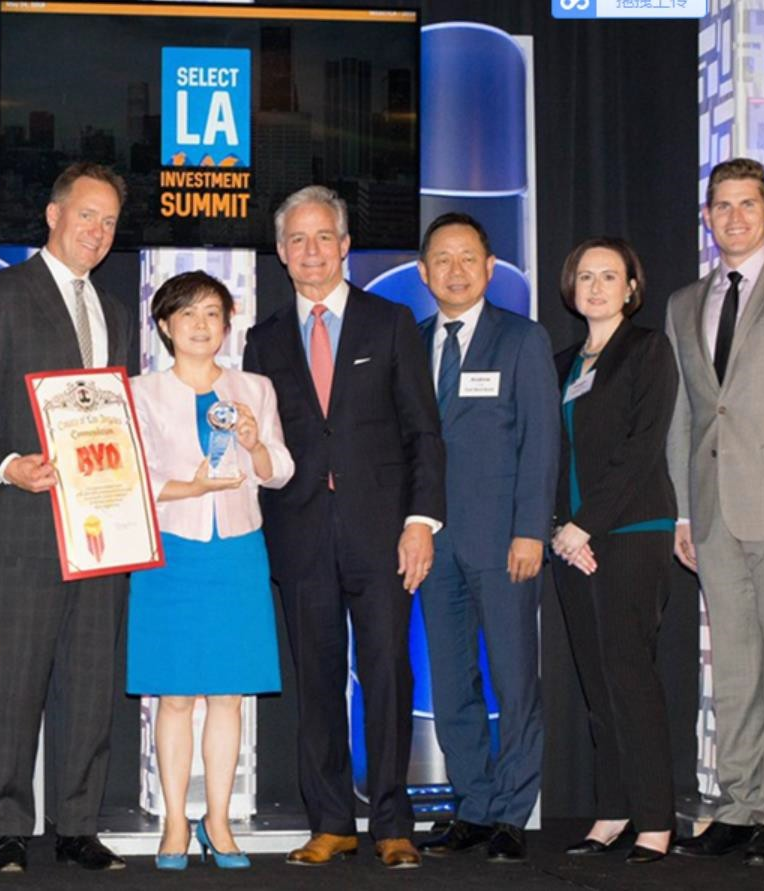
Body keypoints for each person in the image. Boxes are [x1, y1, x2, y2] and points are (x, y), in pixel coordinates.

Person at [243, 185, 445, 870]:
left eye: (322, 236)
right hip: (299, 536)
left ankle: (393, 822)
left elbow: (424, 430)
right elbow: (258, 444)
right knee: (317, 681)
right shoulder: (262, 339)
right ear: (281, 252)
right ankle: (331, 821)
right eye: (296, 240)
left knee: (389, 673)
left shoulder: (390, 323)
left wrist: (420, 522)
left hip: (383, 533)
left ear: (345, 244)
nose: (310, 251)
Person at [0, 162, 135, 873]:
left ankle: (76, 825)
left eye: (110, 221)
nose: (97, 231)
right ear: (54, 215)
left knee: (90, 679)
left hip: (103, 522)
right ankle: (4, 826)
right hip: (25, 516)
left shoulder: (114, 313)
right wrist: (6, 465)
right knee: (16, 678)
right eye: (86, 214)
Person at [666, 157, 764, 867]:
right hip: (711, 510)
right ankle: (733, 806)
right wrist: (679, 513)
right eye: (721, 205)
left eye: (746, 204)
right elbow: (685, 418)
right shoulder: (682, 302)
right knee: (731, 666)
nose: (733, 216)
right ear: (707, 216)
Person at [128, 271, 293, 870]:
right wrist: (188, 485)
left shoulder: (256, 387)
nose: (201, 325)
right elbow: (132, 479)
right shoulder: (141, 392)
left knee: (228, 696)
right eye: (188, 315)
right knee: (174, 698)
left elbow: (281, 471)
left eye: (213, 314)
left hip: (238, 550)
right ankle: (175, 822)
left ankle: (218, 822)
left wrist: (252, 444)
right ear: (166, 326)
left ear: (229, 324)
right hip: (171, 550)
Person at [413, 213, 559, 863]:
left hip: (505, 543)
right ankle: (471, 805)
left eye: (467, 257)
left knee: (513, 679)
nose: (455, 269)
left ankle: (510, 813)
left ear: (490, 267)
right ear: (424, 273)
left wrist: (531, 530)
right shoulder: (412, 343)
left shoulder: (522, 340)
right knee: (450, 683)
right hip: (433, 545)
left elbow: (541, 446)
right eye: (441, 259)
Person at [549, 237, 679, 864]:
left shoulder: (648, 350)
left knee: (631, 678)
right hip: (572, 543)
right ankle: (613, 809)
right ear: (571, 288)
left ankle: (656, 821)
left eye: (610, 276)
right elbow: (550, 456)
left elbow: (640, 446)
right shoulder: (563, 362)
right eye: (585, 276)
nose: (596, 287)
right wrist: (561, 529)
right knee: (597, 683)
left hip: (630, 535)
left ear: (632, 287)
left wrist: (586, 526)